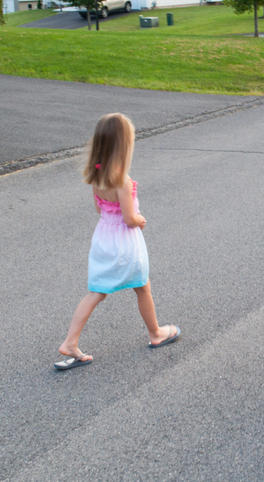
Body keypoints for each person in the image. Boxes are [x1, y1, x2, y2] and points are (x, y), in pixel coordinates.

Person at [54, 113, 180, 370]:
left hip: (103, 239)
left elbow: (99, 209)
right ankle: (156, 333)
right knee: (142, 286)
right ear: (123, 146)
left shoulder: (97, 175)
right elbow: (130, 218)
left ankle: (70, 341)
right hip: (125, 243)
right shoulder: (123, 180)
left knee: (96, 292)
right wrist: (140, 219)